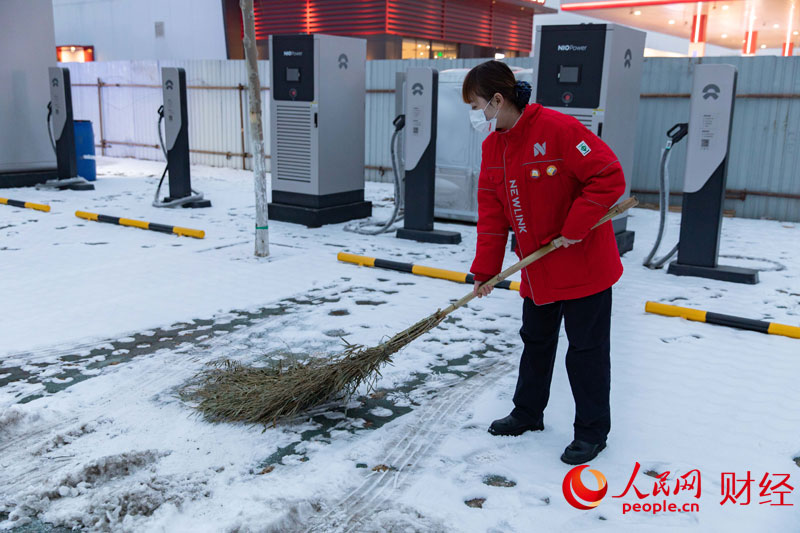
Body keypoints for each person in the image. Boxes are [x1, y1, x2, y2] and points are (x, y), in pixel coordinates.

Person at [462, 60, 626, 465]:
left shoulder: (559, 130)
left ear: (499, 100)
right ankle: (527, 412)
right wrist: (486, 271)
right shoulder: (492, 147)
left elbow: (608, 176)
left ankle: (591, 432)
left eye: (477, 104)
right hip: (537, 268)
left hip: (583, 263)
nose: (476, 113)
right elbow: (493, 214)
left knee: (585, 351)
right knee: (535, 342)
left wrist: (576, 225)